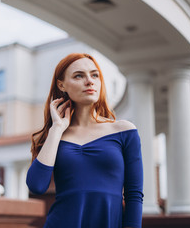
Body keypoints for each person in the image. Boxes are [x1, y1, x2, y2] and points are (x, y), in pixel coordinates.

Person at [26, 53, 144, 228]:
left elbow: (134, 195)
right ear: (62, 85)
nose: (89, 81)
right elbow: (36, 185)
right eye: (79, 75)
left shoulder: (124, 131)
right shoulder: (56, 135)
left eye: (94, 75)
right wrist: (56, 129)